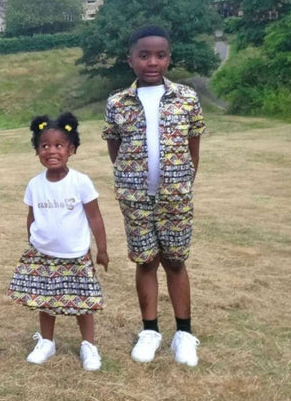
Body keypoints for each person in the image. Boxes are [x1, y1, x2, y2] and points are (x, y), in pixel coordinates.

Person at [102, 26, 205, 367]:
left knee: (175, 260)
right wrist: (132, 178)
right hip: (135, 197)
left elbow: (193, 148)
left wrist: (181, 183)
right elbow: (115, 148)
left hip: (176, 196)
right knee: (145, 261)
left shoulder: (187, 98)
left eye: (160, 55)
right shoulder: (117, 103)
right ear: (130, 59)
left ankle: (184, 334)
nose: (152, 62)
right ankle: (150, 330)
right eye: (144, 55)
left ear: (168, 58)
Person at [8, 112, 109, 371]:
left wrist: (102, 250)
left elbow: (95, 217)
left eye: (59, 145)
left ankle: (89, 345)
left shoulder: (80, 182)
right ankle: (46, 341)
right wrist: (32, 240)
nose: (51, 151)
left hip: (75, 254)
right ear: (37, 151)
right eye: (44, 145)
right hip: (44, 254)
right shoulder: (34, 184)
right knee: (46, 300)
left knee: (82, 302)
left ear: (71, 149)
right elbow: (31, 216)